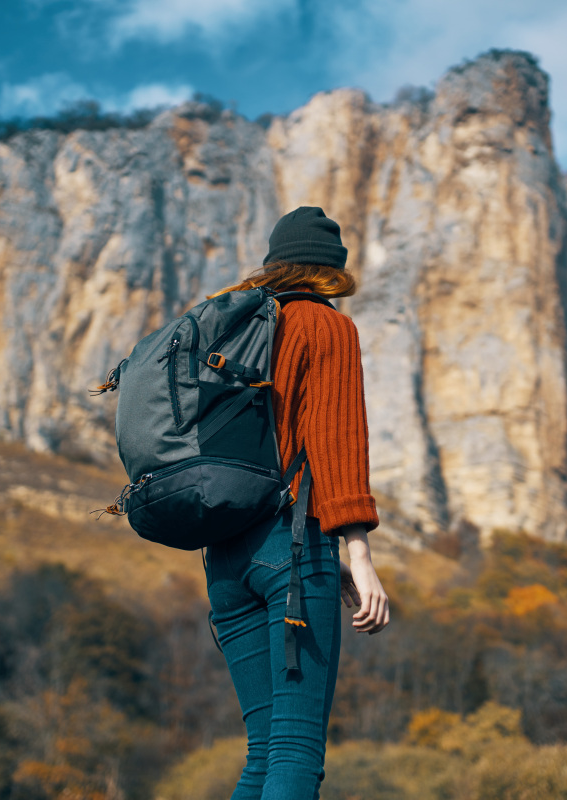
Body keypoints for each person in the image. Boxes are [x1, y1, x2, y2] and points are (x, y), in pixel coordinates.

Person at [203, 206, 390, 799]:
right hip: (291, 552)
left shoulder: (236, 329)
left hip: (226, 559)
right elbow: (337, 451)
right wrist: (359, 559)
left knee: (264, 752)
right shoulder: (324, 326)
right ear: (330, 272)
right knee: (297, 749)